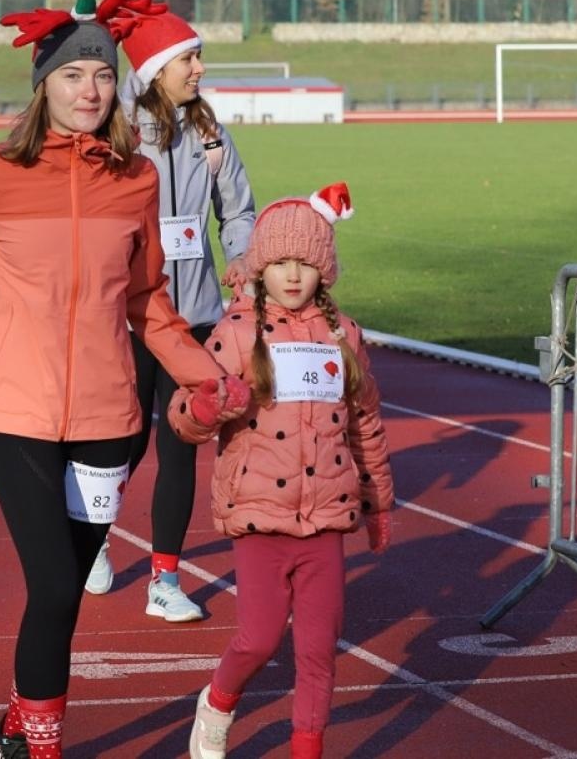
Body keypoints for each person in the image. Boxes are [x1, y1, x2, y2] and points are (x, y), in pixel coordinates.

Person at [0, 0, 249, 759]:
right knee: (58, 585)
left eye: (102, 73)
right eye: (72, 74)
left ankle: (17, 727)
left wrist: (209, 378)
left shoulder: (135, 180)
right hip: (11, 411)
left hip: (106, 416)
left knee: (60, 594)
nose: (90, 88)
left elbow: (149, 306)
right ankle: (45, 747)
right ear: (44, 87)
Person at [169, 182, 394, 759]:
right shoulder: (238, 335)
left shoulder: (346, 338)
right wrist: (203, 409)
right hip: (260, 518)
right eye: (281, 264)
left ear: (325, 271)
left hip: (324, 519)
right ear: (260, 269)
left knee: (319, 650)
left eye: (307, 264)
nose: (294, 276)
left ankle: (306, 749)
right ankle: (217, 704)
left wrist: (378, 501)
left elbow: (365, 422)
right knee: (260, 638)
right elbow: (184, 414)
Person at [87, 0, 257, 621]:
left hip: (198, 316)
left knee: (182, 443)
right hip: (131, 318)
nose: (200, 69)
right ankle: (95, 540)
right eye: (190, 57)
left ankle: (164, 581)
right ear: (157, 67)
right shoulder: (117, 129)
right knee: (122, 444)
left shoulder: (210, 131)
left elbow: (237, 210)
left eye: (200, 58)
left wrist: (240, 254)